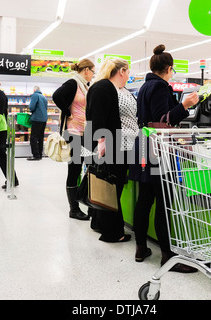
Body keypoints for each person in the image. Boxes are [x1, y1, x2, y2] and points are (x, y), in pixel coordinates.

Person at [129, 44, 199, 272]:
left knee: (144, 199)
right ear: (169, 68)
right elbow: (163, 119)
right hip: (157, 147)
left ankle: (141, 247)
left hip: (143, 144)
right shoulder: (160, 86)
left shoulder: (145, 86)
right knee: (163, 202)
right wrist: (185, 105)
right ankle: (167, 256)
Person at [84, 57, 138, 242]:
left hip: (123, 144)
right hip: (113, 146)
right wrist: (101, 141)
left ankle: (100, 224)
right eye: (128, 71)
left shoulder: (119, 89)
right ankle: (112, 233)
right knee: (111, 189)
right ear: (121, 71)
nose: (129, 75)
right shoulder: (103, 87)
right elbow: (96, 115)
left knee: (108, 187)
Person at [52, 59, 95, 221]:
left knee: (88, 166)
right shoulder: (73, 83)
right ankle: (74, 209)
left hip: (84, 132)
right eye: (92, 71)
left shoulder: (84, 85)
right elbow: (57, 96)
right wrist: (67, 111)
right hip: (73, 132)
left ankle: (85, 202)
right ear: (85, 70)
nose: (93, 74)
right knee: (75, 169)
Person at [27, 86, 48, 160]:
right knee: (40, 137)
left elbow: (32, 107)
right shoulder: (43, 97)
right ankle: (40, 154)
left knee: (33, 138)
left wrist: (30, 111)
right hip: (44, 119)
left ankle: (35, 155)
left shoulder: (35, 95)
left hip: (37, 119)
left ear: (34, 90)